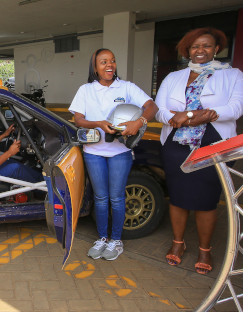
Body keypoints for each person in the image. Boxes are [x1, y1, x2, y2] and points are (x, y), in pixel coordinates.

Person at [156, 27, 243, 274]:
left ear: (216, 49)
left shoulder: (233, 75)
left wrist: (193, 116)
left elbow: (236, 108)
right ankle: (178, 243)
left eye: (206, 46)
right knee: (178, 195)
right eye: (195, 46)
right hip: (175, 143)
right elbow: (160, 109)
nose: (200, 50)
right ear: (188, 50)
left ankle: (205, 249)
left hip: (213, 143)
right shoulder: (174, 77)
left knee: (206, 200)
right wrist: (179, 118)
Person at [69, 48, 158, 261]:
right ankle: (102, 238)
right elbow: (78, 120)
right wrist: (99, 123)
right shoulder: (85, 90)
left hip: (120, 152)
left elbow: (151, 106)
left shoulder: (126, 87)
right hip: (94, 151)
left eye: (113, 61)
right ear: (95, 67)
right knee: (100, 198)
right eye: (104, 62)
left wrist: (139, 121)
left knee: (117, 198)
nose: (109, 65)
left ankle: (116, 241)